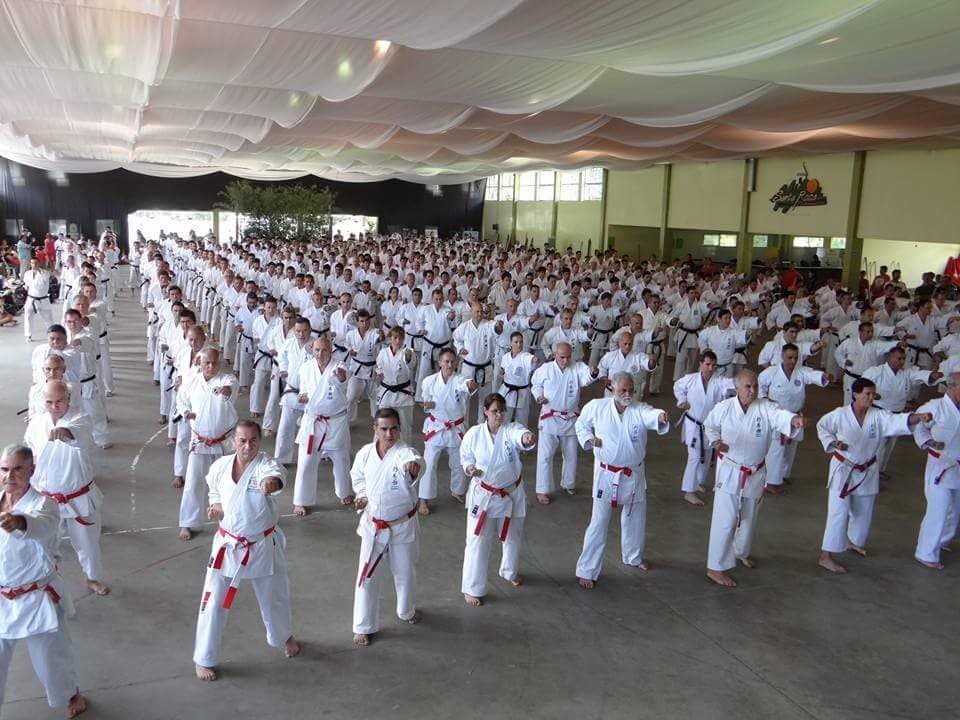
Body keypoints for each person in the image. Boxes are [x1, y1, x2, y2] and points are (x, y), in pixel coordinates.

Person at [193, 421, 299, 681]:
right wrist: (216, 509)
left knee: (274, 596)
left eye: (253, 440)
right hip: (228, 545)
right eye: (242, 440)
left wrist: (271, 484)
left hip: (261, 545)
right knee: (213, 600)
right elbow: (215, 494)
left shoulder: (266, 465)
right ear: (233, 442)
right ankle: (204, 657)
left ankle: (283, 636)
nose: (247, 446)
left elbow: (276, 476)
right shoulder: (220, 466)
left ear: (259, 442)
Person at [0, 444, 87, 718]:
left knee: (51, 660)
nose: (9, 476)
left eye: (17, 469)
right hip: (2, 597)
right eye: (4, 469)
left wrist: (19, 523)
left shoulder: (44, 504)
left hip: (37, 596)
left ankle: (71, 693)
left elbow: (44, 526)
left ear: (32, 470)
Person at [815, 378, 930, 574]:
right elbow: (822, 427)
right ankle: (826, 557)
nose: (870, 397)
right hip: (844, 470)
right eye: (866, 394)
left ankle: (852, 541)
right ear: (855, 394)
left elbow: (897, 420)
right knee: (838, 513)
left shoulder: (877, 415)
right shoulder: (840, 415)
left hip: (867, 470)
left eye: (872, 394)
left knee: (863, 512)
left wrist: (916, 417)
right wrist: (833, 442)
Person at [703, 369, 805, 587]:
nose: (752, 390)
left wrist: (793, 420)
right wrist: (716, 442)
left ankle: (740, 552)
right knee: (726, 519)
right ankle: (715, 567)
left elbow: (780, 415)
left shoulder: (766, 407)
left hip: (756, 472)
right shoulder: (724, 408)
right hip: (730, 471)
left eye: (755, 386)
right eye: (748, 386)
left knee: (749, 517)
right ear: (737, 388)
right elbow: (709, 426)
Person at [574, 373, 669, 589]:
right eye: (622, 390)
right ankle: (587, 570)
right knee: (598, 522)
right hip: (606, 475)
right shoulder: (597, 406)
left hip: (633, 474)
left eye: (630, 390)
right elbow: (581, 425)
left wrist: (661, 416)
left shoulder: (640, 409)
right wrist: (589, 439)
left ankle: (633, 557)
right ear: (612, 389)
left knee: (635, 518)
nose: (627, 395)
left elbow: (651, 415)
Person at [23, 380, 109, 596]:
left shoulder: (80, 418)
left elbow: (78, 434)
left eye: (59, 401)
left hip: (78, 497)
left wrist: (64, 432)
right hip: (46, 498)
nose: (54, 406)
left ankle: (93, 578)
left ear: (68, 399)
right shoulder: (36, 423)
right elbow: (31, 452)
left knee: (87, 544)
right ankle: (42, 579)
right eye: (49, 402)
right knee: (42, 544)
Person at [350, 409, 424, 646]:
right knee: (366, 576)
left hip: (402, 525)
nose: (389, 434)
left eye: (393, 428)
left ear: (399, 429)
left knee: (404, 573)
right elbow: (358, 477)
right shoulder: (365, 453)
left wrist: (413, 467)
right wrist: (362, 496)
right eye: (383, 429)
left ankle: (406, 610)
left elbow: (414, 462)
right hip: (374, 526)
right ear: (375, 429)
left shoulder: (405, 453)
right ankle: (363, 625)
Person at [460, 394, 536, 606]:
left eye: (502, 410)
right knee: (478, 541)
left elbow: (521, 435)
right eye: (495, 411)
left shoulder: (511, 430)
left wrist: (527, 438)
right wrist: (470, 468)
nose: (499, 414)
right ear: (485, 411)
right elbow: (465, 457)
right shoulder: (474, 434)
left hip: (511, 493)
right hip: (484, 495)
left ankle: (509, 571)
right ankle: (472, 587)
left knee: (513, 535)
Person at [176, 348, 239, 540]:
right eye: (207, 363)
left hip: (224, 442)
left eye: (214, 363)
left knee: (229, 483)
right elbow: (182, 401)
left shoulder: (227, 380)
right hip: (200, 441)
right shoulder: (191, 382)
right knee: (194, 483)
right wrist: (186, 412)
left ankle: (232, 523)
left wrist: (226, 392)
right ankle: (188, 523)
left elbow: (231, 390)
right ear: (199, 363)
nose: (211, 366)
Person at [531, 341, 599, 504]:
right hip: (550, 417)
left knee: (570, 454)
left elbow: (586, 378)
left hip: (570, 418)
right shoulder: (546, 369)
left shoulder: (577, 367)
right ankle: (542, 490)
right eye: (562, 357)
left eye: (568, 357)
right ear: (554, 355)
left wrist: (593, 373)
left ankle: (568, 483)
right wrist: (539, 396)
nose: (565, 360)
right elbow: (535, 384)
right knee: (545, 456)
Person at [758, 344, 830, 494]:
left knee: (790, 449)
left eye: (796, 358)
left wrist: (823, 377)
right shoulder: (770, 372)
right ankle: (771, 482)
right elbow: (760, 386)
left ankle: (782, 475)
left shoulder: (801, 372)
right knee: (776, 449)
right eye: (789, 357)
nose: (793, 361)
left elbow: (813, 375)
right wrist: (764, 399)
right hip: (777, 417)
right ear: (782, 356)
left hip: (796, 416)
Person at [292, 336, 351, 516]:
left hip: (335, 422)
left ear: (331, 349)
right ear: (312, 350)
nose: (320, 354)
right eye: (317, 350)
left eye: (324, 350)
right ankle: (301, 500)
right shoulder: (306, 368)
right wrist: (302, 397)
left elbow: (343, 380)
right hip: (313, 422)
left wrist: (340, 377)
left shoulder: (340, 366)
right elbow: (304, 390)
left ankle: (344, 492)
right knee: (306, 461)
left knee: (340, 459)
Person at [418, 347, 478, 514]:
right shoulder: (429, 381)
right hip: (436, 427)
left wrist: (470, 385)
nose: (449, 365)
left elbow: (467, 386)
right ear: (439, 363)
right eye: (446, 361)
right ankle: (424, 498)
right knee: (428, 465)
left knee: (459, 463)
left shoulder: (461, 379)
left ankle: (458, 491)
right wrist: (428, 405)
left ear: (457, 363)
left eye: (452, 361)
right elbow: (427, 402)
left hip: (455, 428)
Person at [673, 351, 735, 506]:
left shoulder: (719, 381)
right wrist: (682, 400)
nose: (710, 368)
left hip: (711, 426)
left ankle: (698, 482)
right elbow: (677, 386)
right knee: (694, 457)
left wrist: (744, 383)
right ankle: (688, 491)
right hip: (694, 425)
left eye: (713, 365)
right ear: (700, 364)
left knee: (707, 455)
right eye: (707, 364)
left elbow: (734, 384)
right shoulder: (690, 379)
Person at [912, 372, 960, 569]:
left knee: (955, 511)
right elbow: (918, 427)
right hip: (940, 466)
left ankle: (942, 541)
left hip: (957, 466)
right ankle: (925, 552)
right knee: (938, 509)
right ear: (952, 387)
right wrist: (929, 441)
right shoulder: (934, 407)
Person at [22, 257, 53, 342]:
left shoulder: (45, 273)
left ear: (39, 263)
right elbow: (26, 284)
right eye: (32, 263)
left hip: (43, 299)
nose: (34, 265)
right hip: (31, 298)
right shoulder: (27, 274)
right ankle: (28, 335)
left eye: (36, 263)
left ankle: (52, 334)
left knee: (48, 318)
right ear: (30, 264)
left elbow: (44, 280)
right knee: (28, 317)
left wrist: (39, 271)